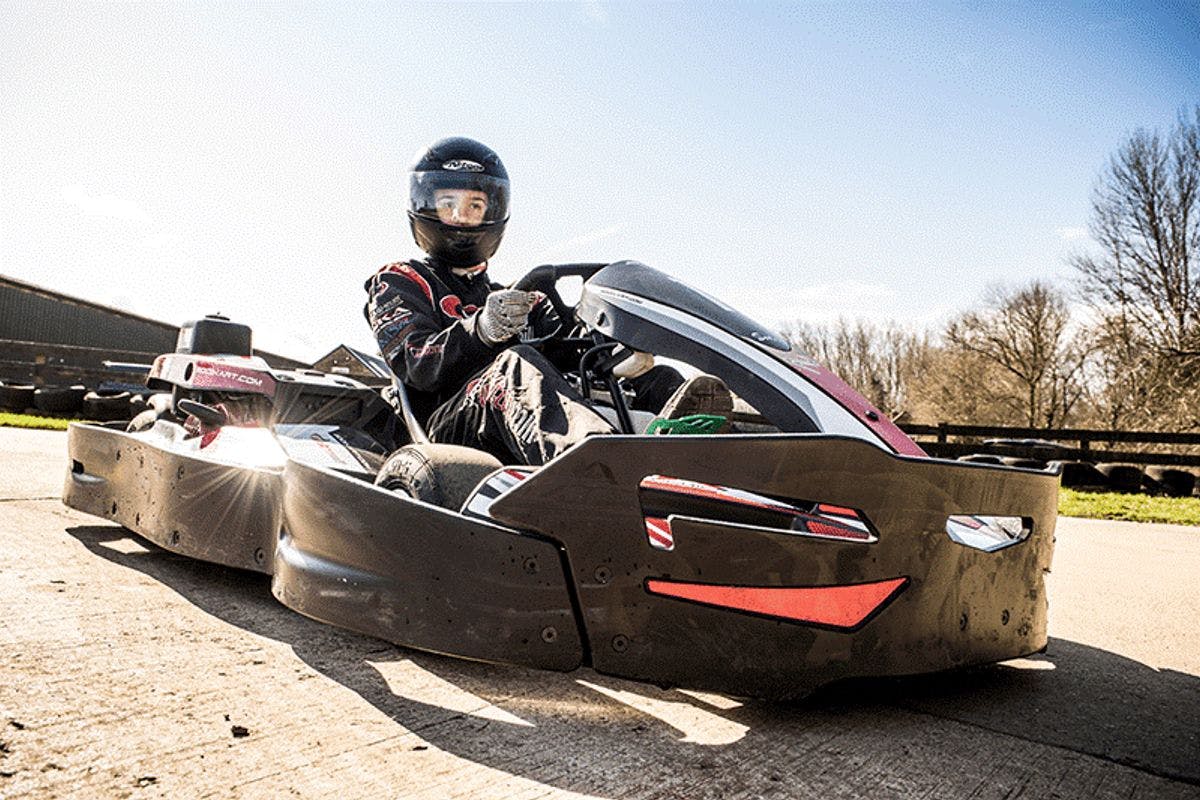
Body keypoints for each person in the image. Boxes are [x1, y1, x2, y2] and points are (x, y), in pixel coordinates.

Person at [364, 136, 730, 466]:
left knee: (656, 377)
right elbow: (416, 365)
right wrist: (482, 330)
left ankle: (708, 456)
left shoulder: (516, 297)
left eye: (475, 205)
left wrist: (617, 351)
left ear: (493, 211)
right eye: (448, 203)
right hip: (445, 431)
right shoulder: (401, 281)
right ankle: (595, 469)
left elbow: (569, 351)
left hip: (523, 422)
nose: (462, 217)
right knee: (515, 366)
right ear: (425, 206)